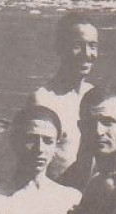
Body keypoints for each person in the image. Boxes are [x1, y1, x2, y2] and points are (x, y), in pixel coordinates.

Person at [29, 12, 99, 180]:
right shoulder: (43, 100)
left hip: (93, 196)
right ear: (59, 47)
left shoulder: (95, 95)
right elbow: (28, 165)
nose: (87, 53)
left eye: (93, 46)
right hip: (57, 198)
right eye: (77, 45)